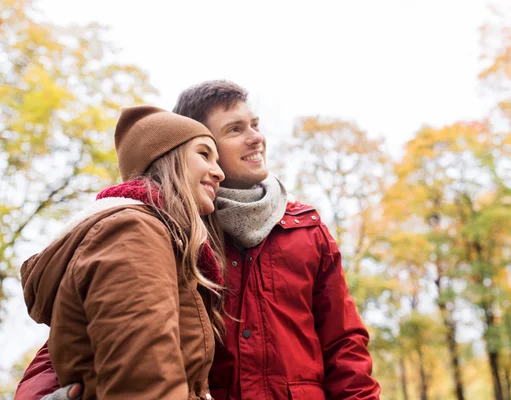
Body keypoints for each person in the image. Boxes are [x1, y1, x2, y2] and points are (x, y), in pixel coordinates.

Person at [16, 81, 381, 399]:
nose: (256, 137)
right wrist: (39, 395)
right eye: (235, 129)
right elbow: (99, 328)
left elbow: (344, 344)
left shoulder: (305, 229)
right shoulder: (168, 231)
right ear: (191, 145)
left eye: (255, 124)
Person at [17, 105, 226, 400]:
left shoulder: (151, 235)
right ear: (166, 159)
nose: (219, 172)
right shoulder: (134, 231)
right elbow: (144, 383)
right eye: (204, 154)